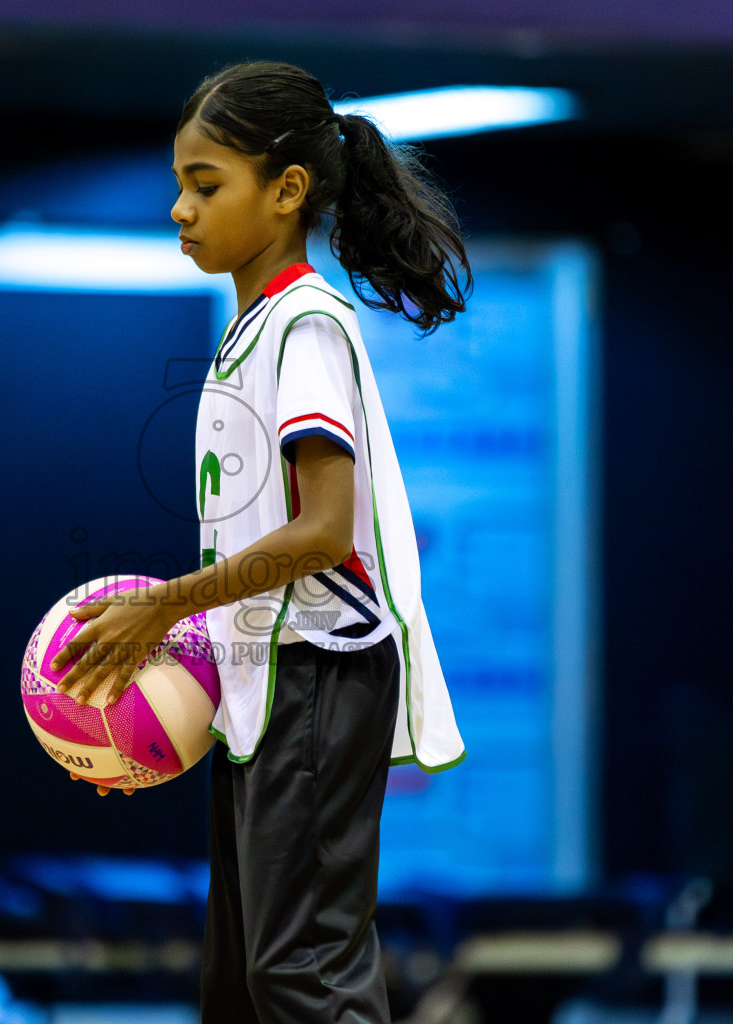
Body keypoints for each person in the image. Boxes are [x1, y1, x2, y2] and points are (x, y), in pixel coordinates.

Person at [50, 60, 469, 1024]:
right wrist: (143, 727)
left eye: (205, 185)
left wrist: (163, 604)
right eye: (178, 186)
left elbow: (322, 534)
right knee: (240, 988)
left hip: (323, 678)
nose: (179, 211)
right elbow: (252, 588)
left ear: (286, 191)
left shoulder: (307, 326)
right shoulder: (248, 332)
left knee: (302, 978)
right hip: (272, 682)